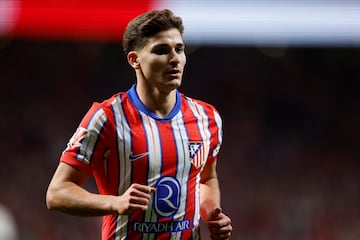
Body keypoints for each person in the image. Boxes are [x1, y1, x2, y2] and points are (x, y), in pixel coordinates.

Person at [46, 9, 232, 240]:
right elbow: (57, 193)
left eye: (179, 49)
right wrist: (115, 203)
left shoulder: (207, 117)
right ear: (135, 60)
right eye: (161, 51)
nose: (174, 58)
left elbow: (206, 179)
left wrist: (211, 213)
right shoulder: (107, 117)